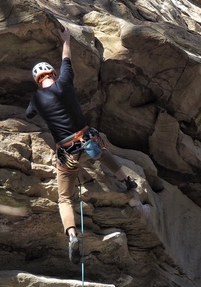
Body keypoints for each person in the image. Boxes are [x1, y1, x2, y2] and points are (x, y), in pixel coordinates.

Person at [26, 27, 137, 264]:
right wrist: (66, 40)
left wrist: (36, 102)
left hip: (66, 151)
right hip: (85, 139)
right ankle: (126, 180)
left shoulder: (36, 98)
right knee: (101, 151)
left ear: (37, 81)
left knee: (64, 198)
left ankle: (73, 235)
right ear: (52, 74)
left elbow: (28, 115)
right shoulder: (64, 82)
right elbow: (67, 59)